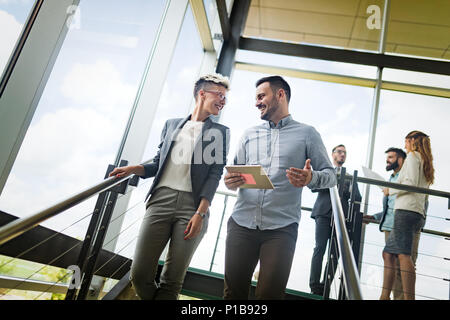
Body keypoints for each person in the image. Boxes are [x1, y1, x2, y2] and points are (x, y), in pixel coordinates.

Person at [108, 74, 230, 300]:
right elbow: (157, 162)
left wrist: (200, 213)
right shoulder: (172, 124)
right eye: (219, 95)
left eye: (225, 97)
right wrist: (133, 168)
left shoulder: (220, 132)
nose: (223, 100)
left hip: (192, 208)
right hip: (159, 202)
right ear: (202, 94)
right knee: (139, 274)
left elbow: (215, 174)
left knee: (171, 281)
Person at [223, 75, 336, 300]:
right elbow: (233, 174)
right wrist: (230, 182)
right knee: (232, 295)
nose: (256, 102)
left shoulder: (307, 134)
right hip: (241, 223)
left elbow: (331, 176)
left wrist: (310, 178)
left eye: (261, 96)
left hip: (281, 230)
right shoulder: (248, 134)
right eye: (256, 98)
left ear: (280, 95)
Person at [380, 131, 434, 300]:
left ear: (412, 141)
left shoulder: (413, 156)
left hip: (406, 211)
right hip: (416, 212)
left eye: (406, 142)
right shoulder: (425, 160)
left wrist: (391, 190)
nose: (404, 146)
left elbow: (409, 184)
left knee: (403, 255)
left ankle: (407, 299)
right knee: (389, 254)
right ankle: (384, 296)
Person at [309, 144, 362, 295]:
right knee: (319, 247)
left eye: (344, 153)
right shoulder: (325, 172)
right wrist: (333, 183)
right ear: (332, 155)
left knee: (336, 252)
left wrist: (346, 190)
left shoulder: (350, 177)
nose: (342, 155)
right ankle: (314, 286)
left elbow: (357, 197)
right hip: (324, 212)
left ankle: (326, 285)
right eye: (339, 152)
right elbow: (314, 187)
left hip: (341, 216)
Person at [364, 147, 415, 300]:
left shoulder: (405, 178)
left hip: (403, 225)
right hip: (388, 227)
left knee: (402, 267)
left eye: (391, 157)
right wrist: (373, 217)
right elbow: (388, 208)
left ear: (401, 159)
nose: (387, 160)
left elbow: (412, 202)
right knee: (392, 265)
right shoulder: (391, 180)